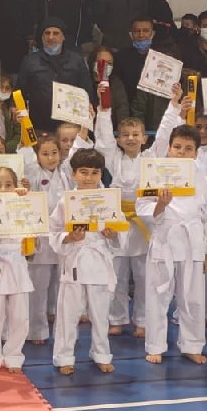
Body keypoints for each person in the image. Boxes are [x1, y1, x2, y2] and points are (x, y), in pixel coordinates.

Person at [136, 123, 207, 365]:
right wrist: (160, 205)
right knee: (157, 296)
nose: (181, 152)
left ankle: (192, 345)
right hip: (164, 241)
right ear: (169, 148)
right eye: (177, 147)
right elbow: (142, 208)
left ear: (196, 153)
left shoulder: (203, 180)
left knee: (193, 298)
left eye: (188, 148)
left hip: (193, 243)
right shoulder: (154, 174)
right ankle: (155, 345)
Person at [50, 148, 123, 376]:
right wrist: (68, 237)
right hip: (75, 261)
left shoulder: (109, 199)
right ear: (73, 174)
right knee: (68, 314)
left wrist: (113, 233)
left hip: (99, 261)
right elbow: (53, 231)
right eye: (83, 172)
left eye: (94, 172)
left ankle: (101, 354)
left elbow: (121, 231)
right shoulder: (65, 201)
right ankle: (64, 356)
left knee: (100, 314)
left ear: (101, 174)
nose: (89, 178)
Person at [94, 104, 149, 337]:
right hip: (117, 220)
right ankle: (116, 318)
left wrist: (175, 109)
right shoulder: (114, 158)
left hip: (143, 221)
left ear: (145, 138)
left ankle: (143, 320)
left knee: (144, 276)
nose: (130, 138)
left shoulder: (151, 159)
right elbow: (104, 139)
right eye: (125, 135)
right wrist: (104, 111)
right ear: (118, 140)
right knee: (116, 275)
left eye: (136, 134)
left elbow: (165, 133)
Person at [0, 166, 33, 374]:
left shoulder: (23, 205)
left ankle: (14, 355)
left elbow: (35, 229)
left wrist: (26, 199)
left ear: (16, 186)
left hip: (17, 263)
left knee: (20, 315)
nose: (3, 189)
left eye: (8, 185)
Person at [24, 135, 69, 344]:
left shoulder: (66, 174)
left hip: (63, 235)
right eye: (45, 154)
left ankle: (63, 331)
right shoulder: (32, 174)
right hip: (40, 236)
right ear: (37, 156)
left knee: (62, 287)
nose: (51, 158)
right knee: (38, 287)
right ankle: (36, 330)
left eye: (54, 153)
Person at [18, 17, 95, 132]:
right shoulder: (29, 61)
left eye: (56, 33)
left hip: (70, 127)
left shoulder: (77, 61)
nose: (50, 37)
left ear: (63, 37)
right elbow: (19, 92)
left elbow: (87, 92)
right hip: (39, 126)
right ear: (42, 37)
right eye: (47, 33)